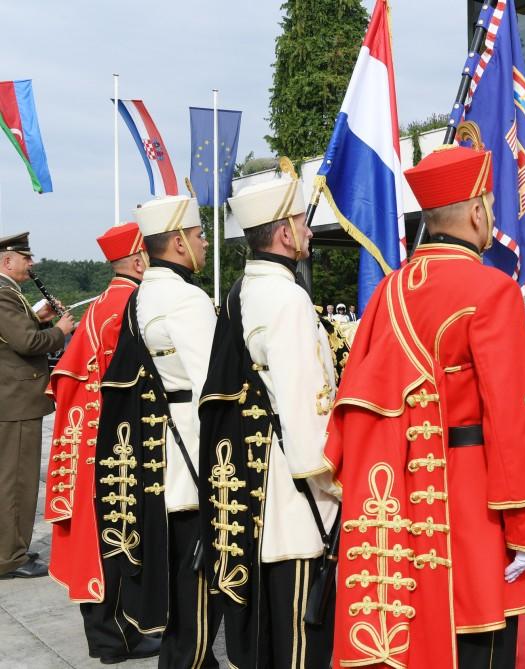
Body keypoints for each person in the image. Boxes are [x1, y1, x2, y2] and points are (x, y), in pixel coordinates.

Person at [322, 145, 525, 668]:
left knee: (416, 636)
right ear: (477, 213)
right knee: (479, 641)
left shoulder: (386, 291)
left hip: (401, 497)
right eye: (491, 206)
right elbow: (513, 417)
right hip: (474, 505)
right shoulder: (493, 290)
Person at [198, 177, 340, 667]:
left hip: (257, 487)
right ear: (283, 233)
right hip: (295, 500)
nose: (310, 233)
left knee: (267, 636)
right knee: (302, 639)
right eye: (303, 223)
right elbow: (306, 409)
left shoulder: (244, 289)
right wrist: (336, 489)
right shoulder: (288, 299)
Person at [94, 195, 222, 667]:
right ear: (178, 241)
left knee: (179, 579)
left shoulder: (146, 291)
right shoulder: (184, 298)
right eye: (199, 235)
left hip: (162, 454)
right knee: (196, 582)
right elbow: (215, 383)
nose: (204, 242)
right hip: (191, 450)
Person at [44, 222, 161, 662]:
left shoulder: (100, 304)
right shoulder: (132, 304)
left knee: (101, 538)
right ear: (137, 260)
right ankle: (116, 637)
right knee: (114, 537)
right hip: (112, 441)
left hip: (87, 437)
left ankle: (111, 636)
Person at [0, 232, 75, 580]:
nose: (31, 264)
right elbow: (27, 343)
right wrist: (59, 330)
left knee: (14, 480)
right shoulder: (3, 293)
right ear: (6, 261)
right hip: (15, 403)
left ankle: (10, 546)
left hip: (14, 401)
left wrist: (40, 319)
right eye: (25, 258)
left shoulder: (9, 293)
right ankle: (9, 557)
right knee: (16, 482)